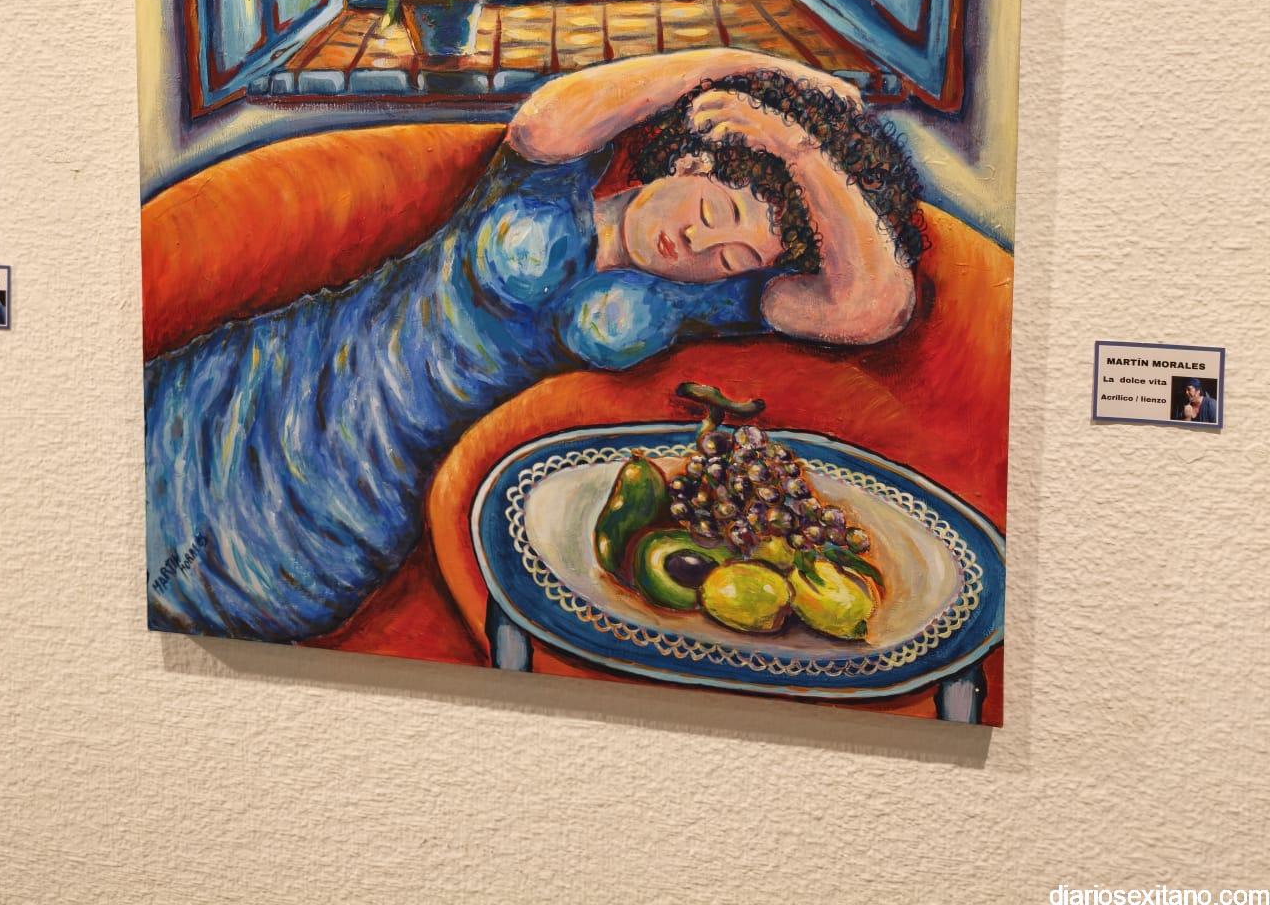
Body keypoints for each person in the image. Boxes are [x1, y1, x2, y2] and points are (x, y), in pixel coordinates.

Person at [145, 47, 925, 642]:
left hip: (359, 506)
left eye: (732, 255)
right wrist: (740, 67)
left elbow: (872, 309)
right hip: (268, 380)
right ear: (692, 159)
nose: (696, 243)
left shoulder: (710, 302)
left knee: (207, 600)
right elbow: (547, 116)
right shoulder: (552, 174)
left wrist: (803, 156)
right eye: (713, 211)